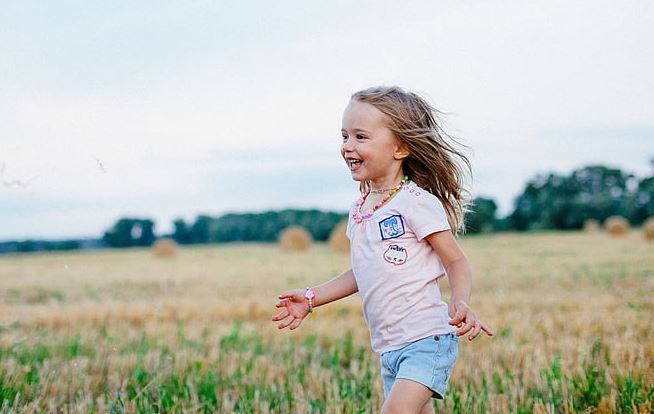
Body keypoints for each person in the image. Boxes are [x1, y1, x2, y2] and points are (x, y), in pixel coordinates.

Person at [272, 86, 493, 414]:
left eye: (361, 137)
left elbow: (455, 260)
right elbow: (362, 271)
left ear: (400, 147)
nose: (348, 146)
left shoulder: (416, 203)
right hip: (390, 347)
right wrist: (311, 297)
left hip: (426, 340)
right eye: (344, 136)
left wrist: (460, 301)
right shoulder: (361, 208)